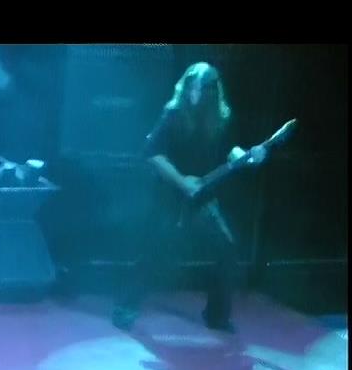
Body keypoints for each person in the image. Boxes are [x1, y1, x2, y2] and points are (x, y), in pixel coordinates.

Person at [113, 62, 267, 333]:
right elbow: (152, 154)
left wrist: (247, 157)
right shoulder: (173, 114)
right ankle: (126, 307)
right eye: (196, 85)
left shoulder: (221, 118)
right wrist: (182, 182)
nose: (200, 92)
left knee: (226, 248)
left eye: (207, 87)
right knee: (154, 253)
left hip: (202, 196)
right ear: (187, 86)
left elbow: (230, 150)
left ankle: (217, 315)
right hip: (169, 196)